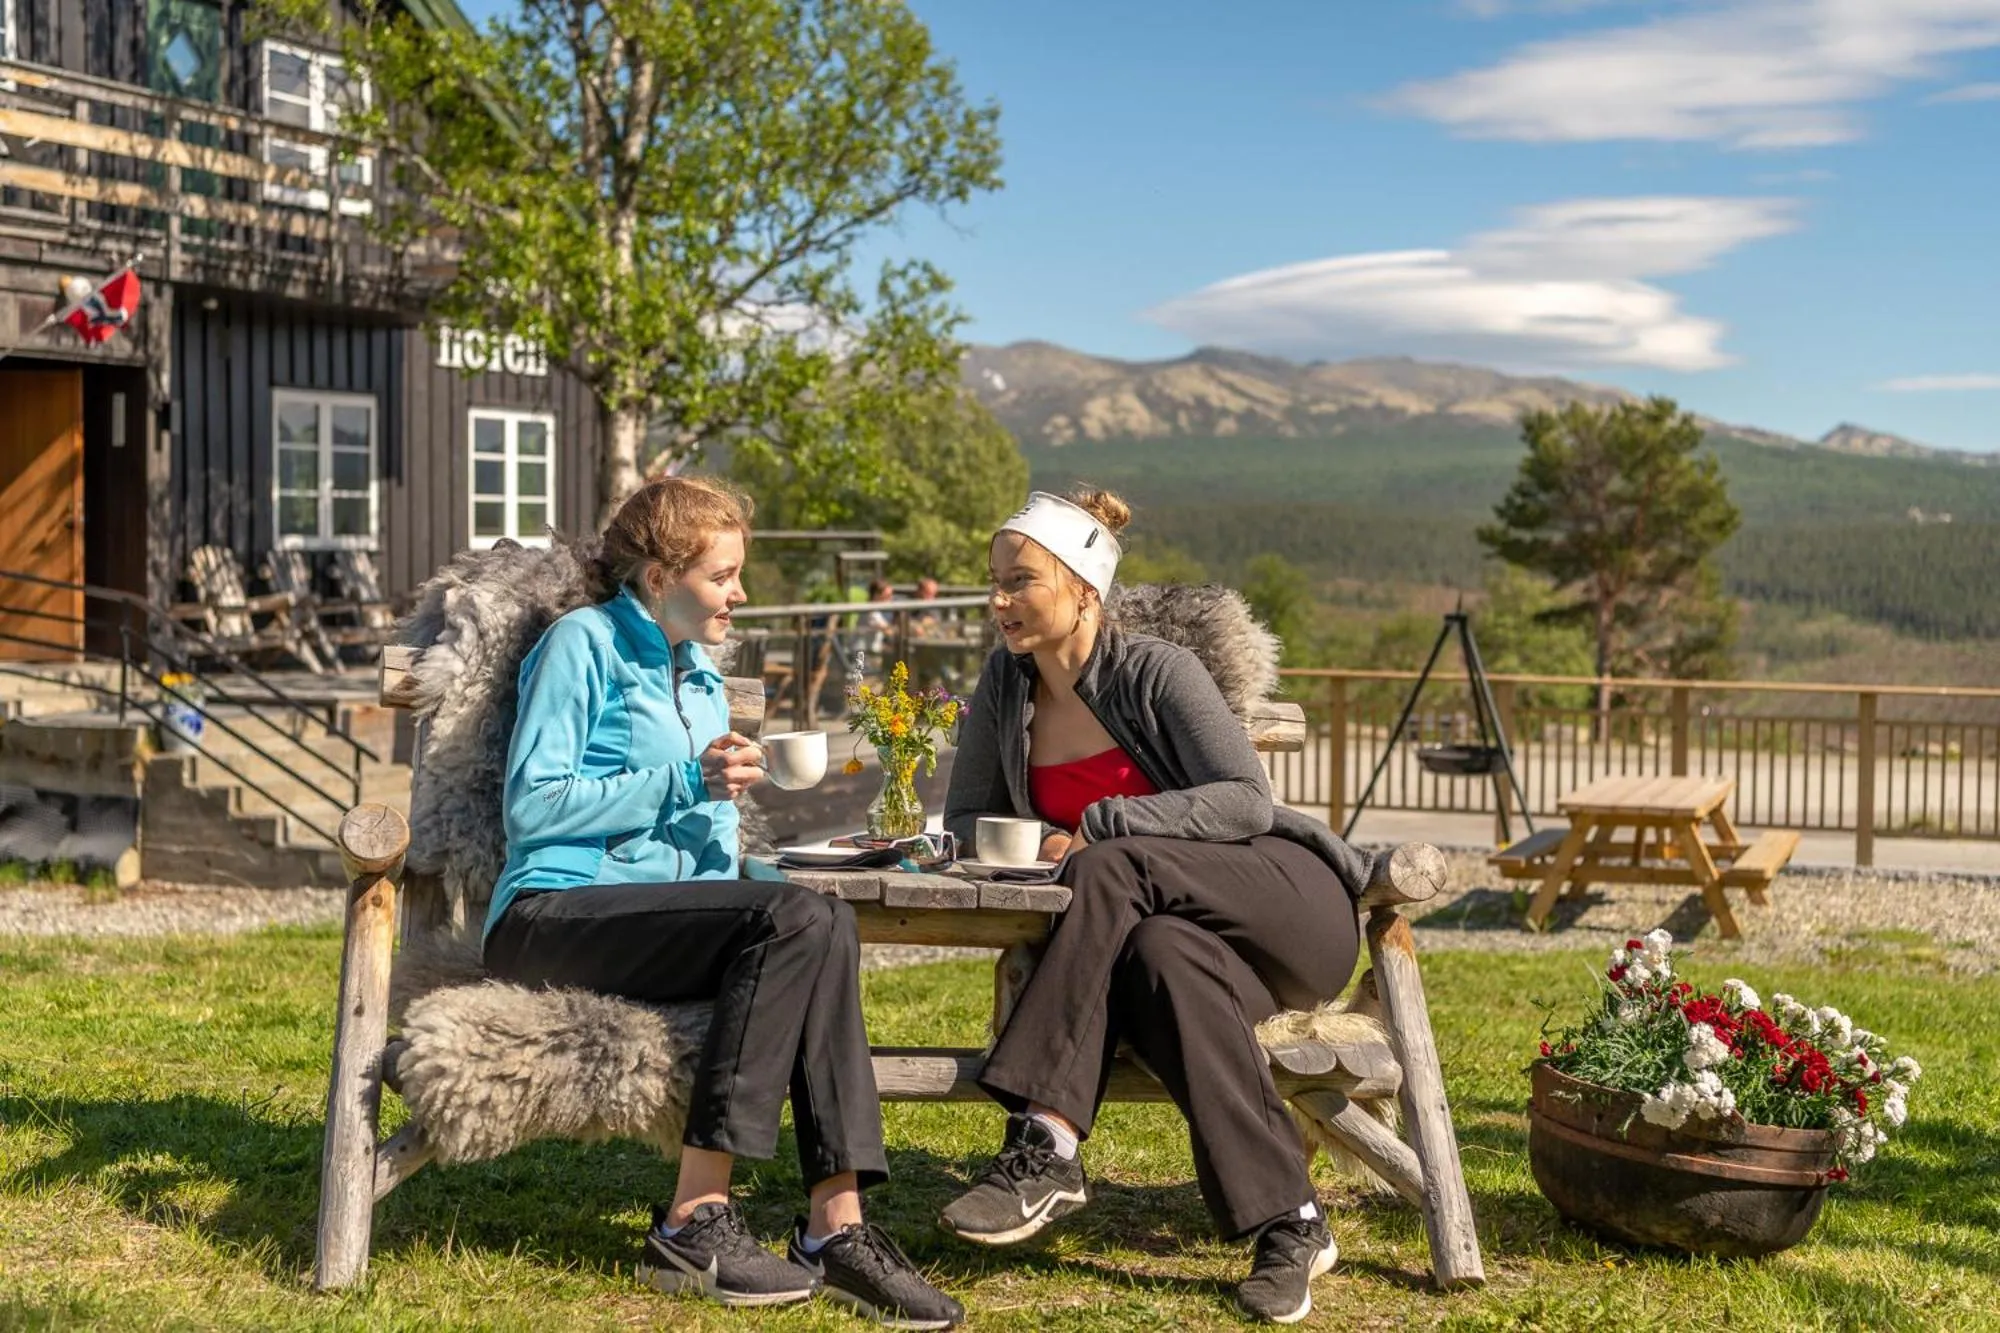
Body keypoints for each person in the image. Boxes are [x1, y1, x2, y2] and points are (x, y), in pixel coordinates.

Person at [940, 488, 1438, 1325]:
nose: (998, 601)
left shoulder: (1157, 671)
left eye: (1019, 581)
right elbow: (966, 819)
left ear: (1084, 593)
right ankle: (1291, 1221)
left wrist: (1100, 824)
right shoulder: (1006, 687)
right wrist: (1025, 848)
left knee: (1117, 863)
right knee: (1159, 961)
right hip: (1172, 934)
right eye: (994, 580)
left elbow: (1246, 800)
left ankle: (1046, 1139)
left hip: (1284, 906)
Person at [481, 476, 962, 1329]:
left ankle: (836, 1228)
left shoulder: (700, 674)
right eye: (723, 575)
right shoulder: (579, 644)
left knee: (822, 915)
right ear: (659, 574)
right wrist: (683, 779)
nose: (740, 595)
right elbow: (531, 807)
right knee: (798, 919)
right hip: (551, 913)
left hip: (649, 917)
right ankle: (692, 1219)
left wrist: (768, 860)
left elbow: (704, 854)